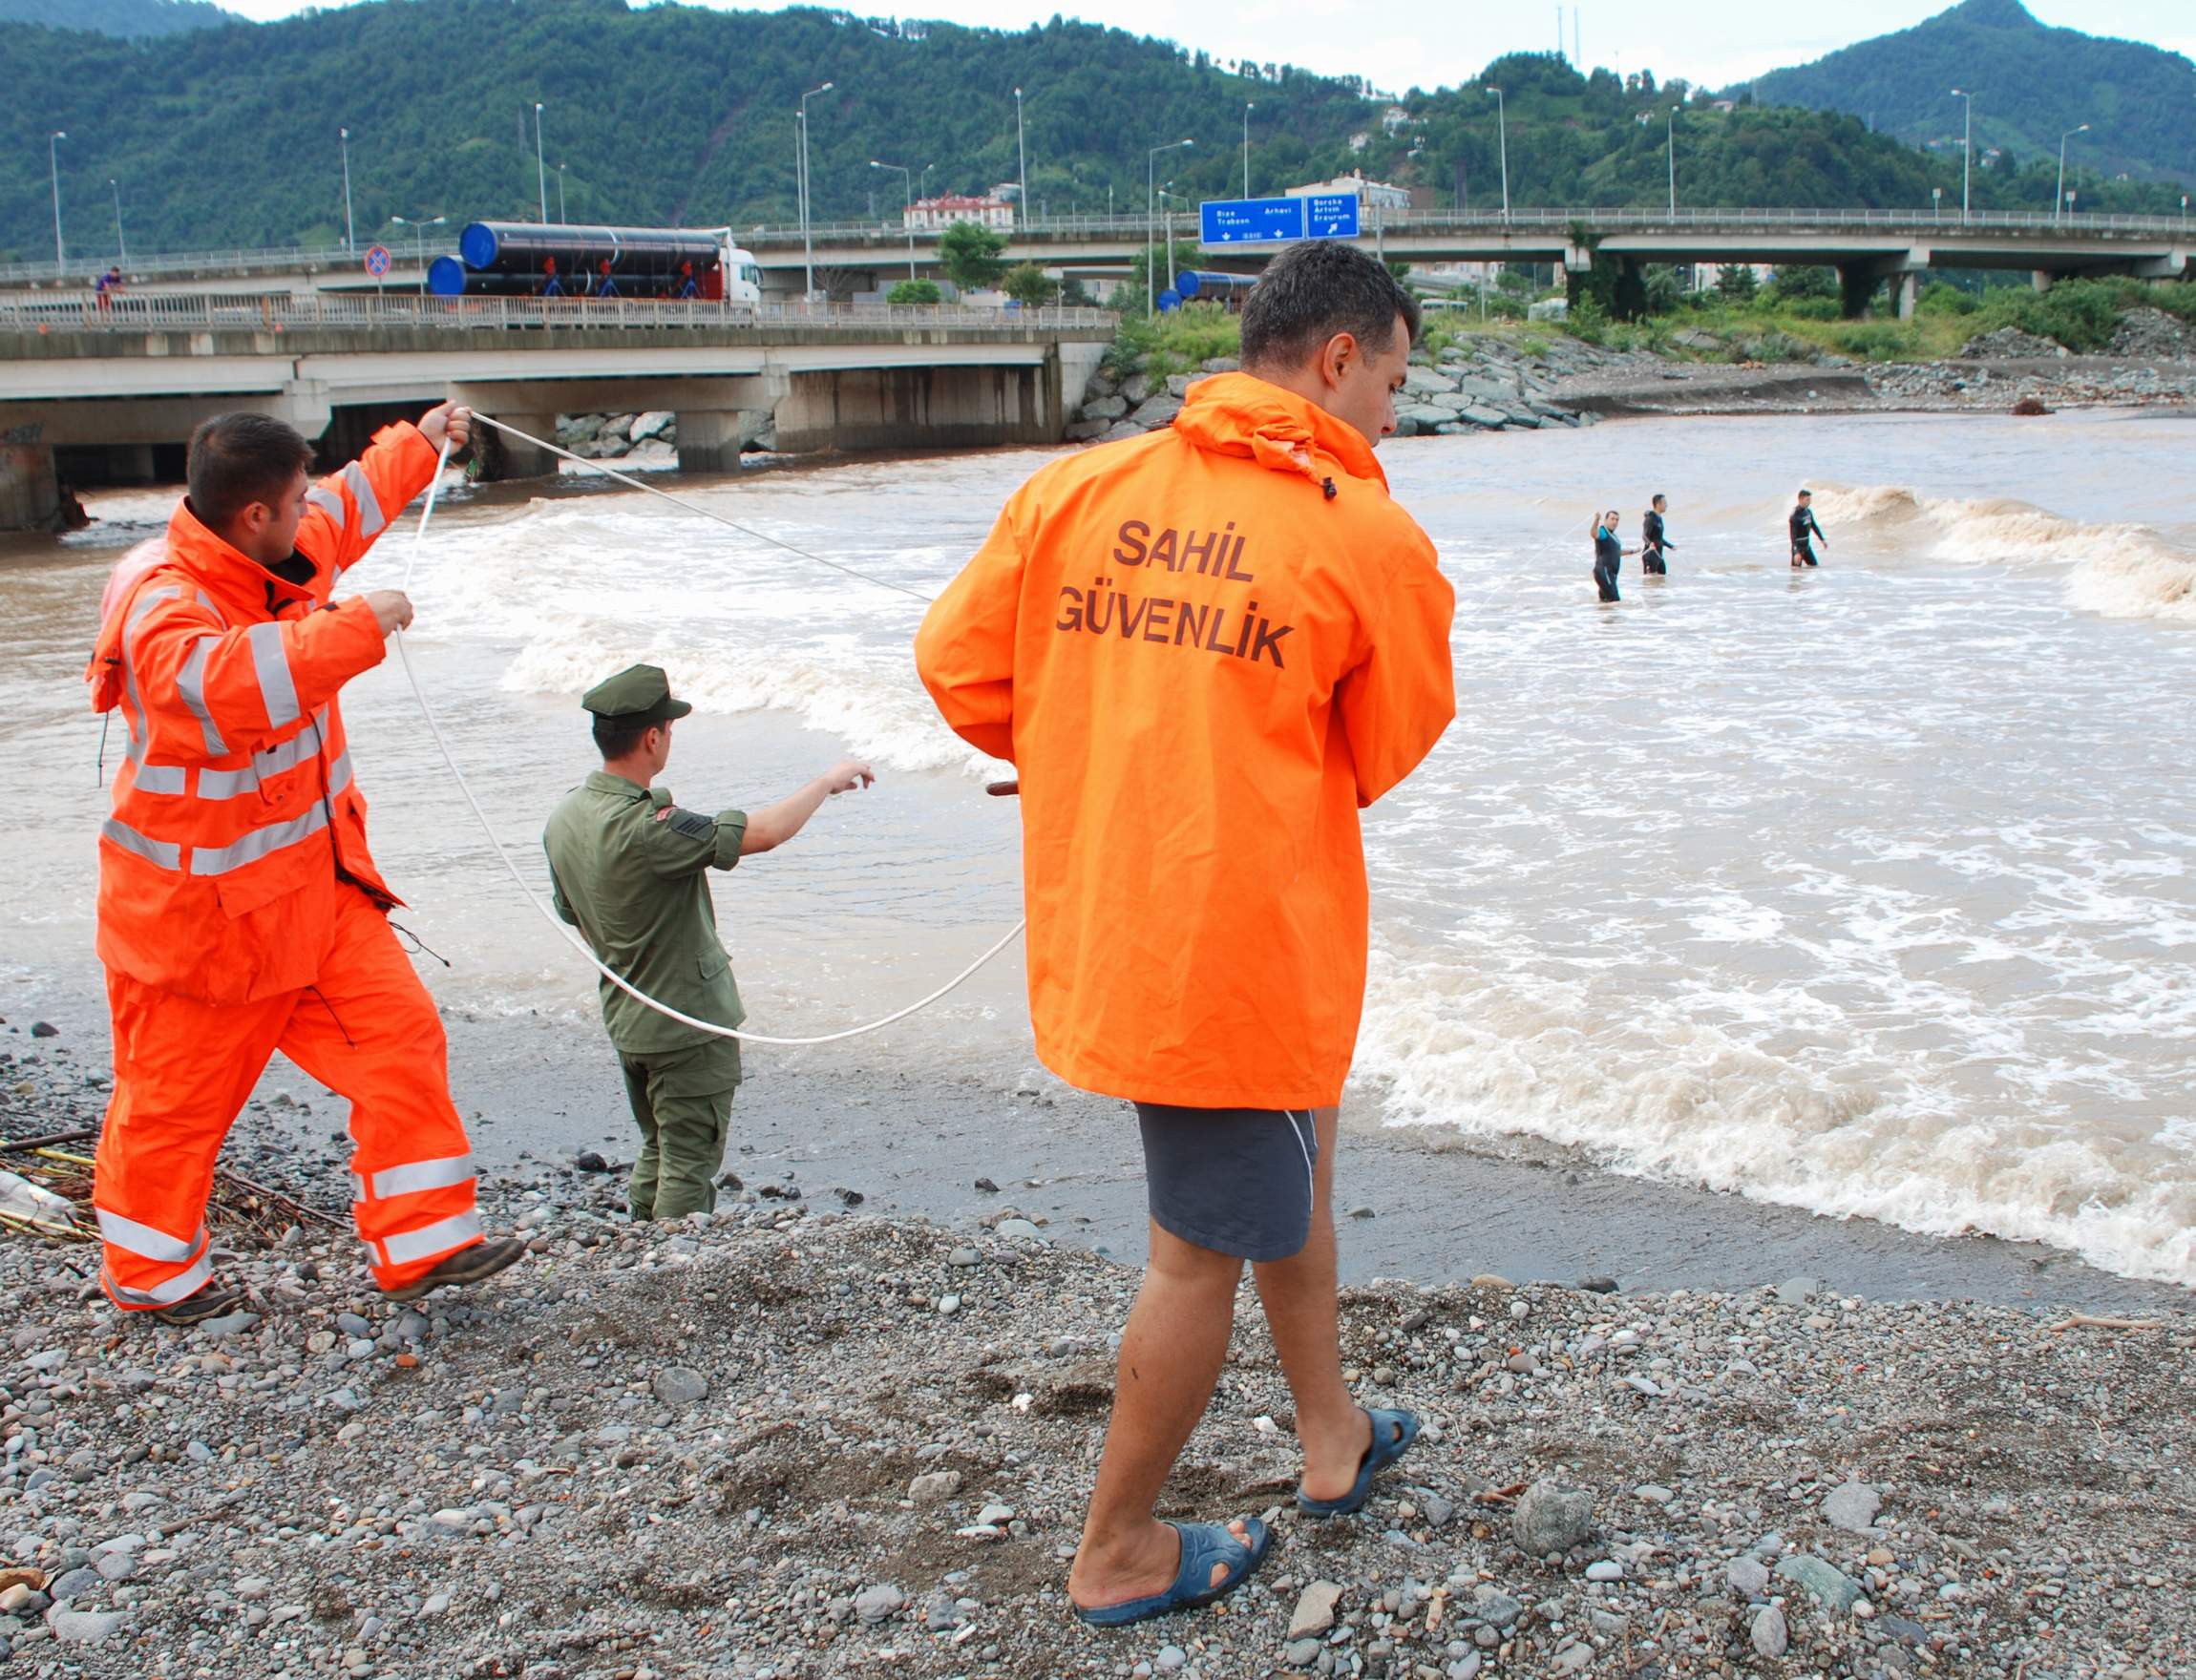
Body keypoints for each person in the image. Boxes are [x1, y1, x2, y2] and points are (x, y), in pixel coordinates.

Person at [915, 240, 1455, 1628]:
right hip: (1235, 945)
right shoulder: (1362, 532)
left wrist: (1098, 742)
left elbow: (961, 664)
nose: (1393, 413)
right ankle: (1119, 1548)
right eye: (1391, 383)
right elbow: (1388, 743)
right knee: (1197, 1245)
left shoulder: (1079, 487)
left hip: (1127, 914)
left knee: (1296, 1164)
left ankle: (1328, 1437)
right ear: (1338, 360)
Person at [82, 404, 527, 1324]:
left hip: (315, 900)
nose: (308, 510)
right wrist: (360, 629)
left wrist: (423, 439)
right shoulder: (165, 604)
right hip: (199, 929)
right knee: (173, 1106)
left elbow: (349, 503)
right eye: (293, 498)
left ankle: (425, 1243)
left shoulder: (272, 551)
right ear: (254, 517)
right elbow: (219, 687)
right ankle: (150, 1274)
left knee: (401, 1043)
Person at [542, 667, 873, 1222]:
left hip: (628, 1017)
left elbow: (570, 912)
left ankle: (637, 1246)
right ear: (653, 737)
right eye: (668, 728)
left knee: (659, 1144)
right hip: (686, 1024)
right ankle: (667, 1271)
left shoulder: (565, 815)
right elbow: (761, 834)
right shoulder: (649, 828)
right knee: (690, 1159)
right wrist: (825, 782)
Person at [1593, 509, 1632, 602]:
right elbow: (1594, 534)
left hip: (1610, 574)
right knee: (1615, 600)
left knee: (1605, 603)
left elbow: (1616, 552)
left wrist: (1632, 551)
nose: (1615, 522)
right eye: (1612, 519)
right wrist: (1596, 520)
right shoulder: (1603, 532)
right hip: (1604, 572)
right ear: (1606, 520)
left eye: (1617, 520)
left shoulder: (1613, 536)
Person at [1789, 489, 1827, 568]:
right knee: (1795, 574)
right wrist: (1796, 552)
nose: (1809, 502)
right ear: (1800, 499)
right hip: (1798, 548)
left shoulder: (1808, 512)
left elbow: (1814, 526)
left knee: (1815, 567)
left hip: (1807, 547)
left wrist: (1822, 539)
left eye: (1810, 499)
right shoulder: (1795, 516)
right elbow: (1793, 536)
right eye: (1807, 500)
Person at [1642, 493, 1675, 577]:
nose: (1666, 505)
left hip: (1659, 555)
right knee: (1650, 581)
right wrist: (1650, 544)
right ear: (1658, 504)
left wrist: (1670, 546)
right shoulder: (1650, 518)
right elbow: (1644, 535)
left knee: (1662, 578)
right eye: (1665, 503)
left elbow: (1659, 538)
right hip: (1650, 555)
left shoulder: (1658, 518)